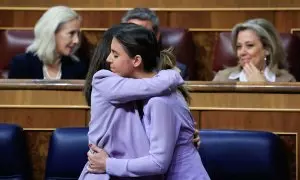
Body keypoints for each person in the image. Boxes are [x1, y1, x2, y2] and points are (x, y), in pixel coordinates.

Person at [85, 23, 210, 180]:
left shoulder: (158, 100)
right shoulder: (127, 90)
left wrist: (108, 164)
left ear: (136, 60)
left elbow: (158, 162)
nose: (109, 59)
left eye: (115, 54)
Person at [8, 6, 88, 79]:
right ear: (51, 33)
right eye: (71, 33)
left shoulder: (78, 67)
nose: (76, 40)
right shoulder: (21, 64)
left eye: (78, 34)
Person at [213, 18, 296, 82]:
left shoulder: (286, 80)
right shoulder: (222, 78)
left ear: (267, 49)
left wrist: (262, 88)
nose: (242, 52)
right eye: (239, 46)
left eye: (249, 45)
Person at [121, 8, 189, 80]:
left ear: (156, 36)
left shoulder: (177, 71)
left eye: (144, 33)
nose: (137, 38)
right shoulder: (112, 67)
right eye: (132, 32)